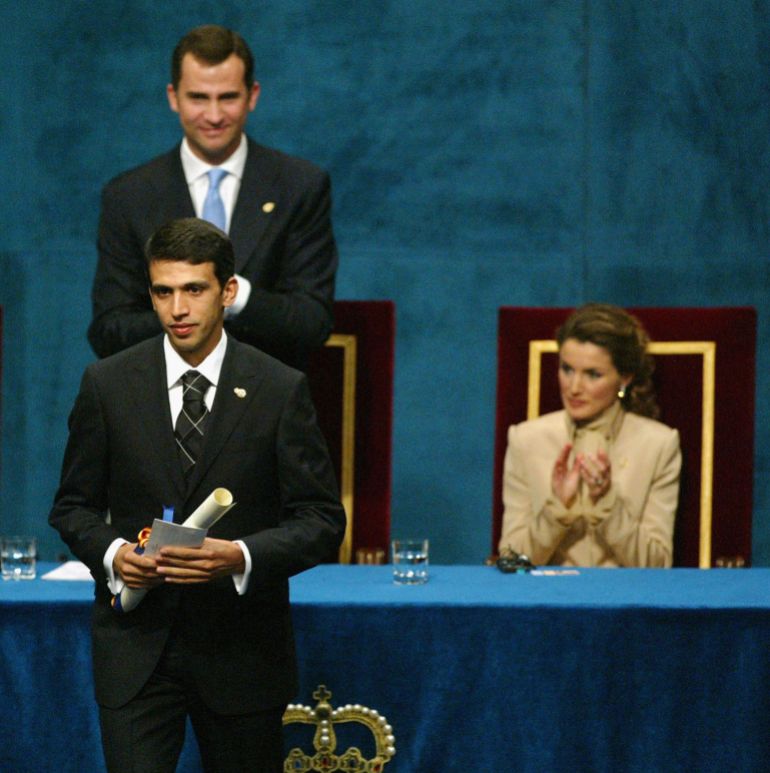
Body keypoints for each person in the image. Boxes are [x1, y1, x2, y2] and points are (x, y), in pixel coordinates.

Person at [50, 218, 345, 772]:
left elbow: (321, 519)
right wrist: (116, 557)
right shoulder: (107, 384)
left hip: (241, 653)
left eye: (194, 289)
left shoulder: (279, 389)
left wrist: (240, 556)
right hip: (137, 649)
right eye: (163, 291)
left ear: (228, 292)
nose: (177, 308)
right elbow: (72, 506)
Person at [88, 24, 338, 370]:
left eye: (228, 97)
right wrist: (191, 311)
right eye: (199, 98)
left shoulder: (299, 186)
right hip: (158, 407)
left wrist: (233, 295)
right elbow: (109, 331)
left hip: (265, 405)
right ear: (173, 97)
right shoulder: (129, 196)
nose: (215, 115)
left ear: (252, 95)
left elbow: (312, 322)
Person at [499, 303, 681, 568]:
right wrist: (557, 509)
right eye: (567, 369)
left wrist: (608, 504)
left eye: (592, 375)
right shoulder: (526, 440)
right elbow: (510, 561)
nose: (573, 388)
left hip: (625, 604)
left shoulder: (658, 445)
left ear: (625, 378)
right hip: (548, 601)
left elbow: (657, 565)